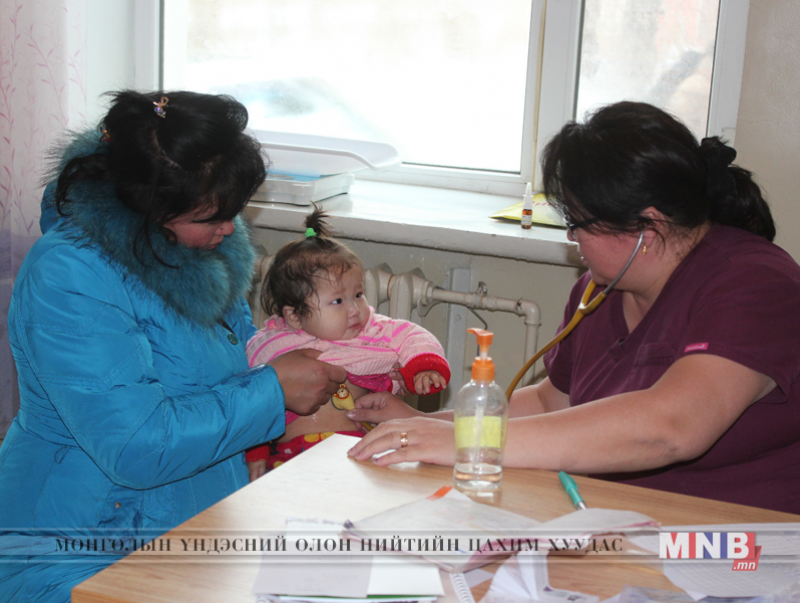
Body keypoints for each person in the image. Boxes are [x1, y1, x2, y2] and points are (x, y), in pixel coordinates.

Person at [347, 101, 800, 514]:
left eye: (577, 222)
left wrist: (470, 442)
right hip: (614, 519)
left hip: (734, 539)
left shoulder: (755, 284)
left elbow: (672, 426)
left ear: (647, 227)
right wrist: (427, 424)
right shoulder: (598, 291)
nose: (571, 238)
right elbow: (552, 400)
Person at [0, 90, 346, 603]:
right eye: (210, 217)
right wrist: (274, 390)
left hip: (188, 517)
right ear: (147, 206)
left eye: (234, 211)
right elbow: (136, 446)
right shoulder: (68, 274)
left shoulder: (195, 248)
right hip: (77, 541)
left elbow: (222, 370)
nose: (229, 228)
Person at [245, 208, 450, 479]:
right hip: (294, 455)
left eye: (358, 294)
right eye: (338, 301)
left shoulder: (371, 330)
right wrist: (255, 451)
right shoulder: (272, 346)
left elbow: (411, 335)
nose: (354, 309)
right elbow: (253, 402)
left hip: (358, 449)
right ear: (294, 316)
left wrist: (423, 366)